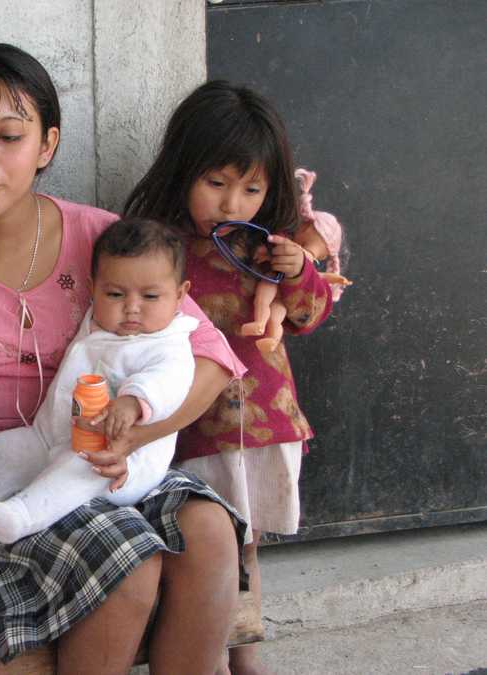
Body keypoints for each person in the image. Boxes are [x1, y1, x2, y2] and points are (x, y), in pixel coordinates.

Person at [0, 44, 248, 673]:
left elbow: (208, 357)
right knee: (129, 557)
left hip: (112, 456)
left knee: (208, 531)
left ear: (47, 146)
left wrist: (136, 436)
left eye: (8, 136)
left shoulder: (100, 236)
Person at [124, 80, 335, 675]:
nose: (231, 203)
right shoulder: (161, 248)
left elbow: (308, 317)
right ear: (182, 170)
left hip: (264, 426)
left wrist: (300, 274)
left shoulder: (270, 247)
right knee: (203, 551)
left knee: (246, 549)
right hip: (189, 427)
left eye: (251, 187)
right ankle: (208, 655)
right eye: (215, 183)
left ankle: (242, 654)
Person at [0, 218, 197, 546]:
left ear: (180, 294)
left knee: (82, 465)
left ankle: (23, 515)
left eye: (150, 296)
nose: (131, 308)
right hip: (51, 436)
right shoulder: (98, 320)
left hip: (117, 461)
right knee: (5, 446)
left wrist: (133, 402)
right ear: (93, 289)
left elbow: (170, 381)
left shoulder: (168, 342)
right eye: (115, 293)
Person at [239, 168, 351, 353]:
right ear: (303, 226)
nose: (310, 254)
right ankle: (258, 322)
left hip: (280, 295)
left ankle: (270, 338)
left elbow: (321, 279)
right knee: (263, 301)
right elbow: (270, 249)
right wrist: (266, 253)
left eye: (317, 255)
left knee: (275, 316)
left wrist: (334, 279)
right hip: (271, 281)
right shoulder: (277, 235)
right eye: (309, 243)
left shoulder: (306, 264)